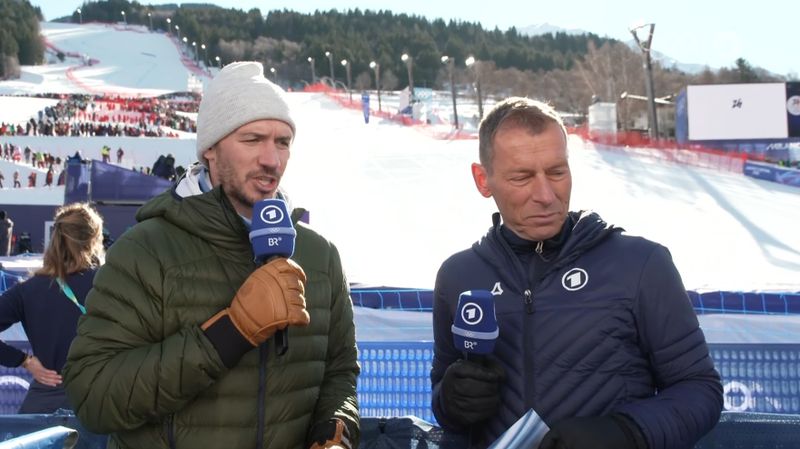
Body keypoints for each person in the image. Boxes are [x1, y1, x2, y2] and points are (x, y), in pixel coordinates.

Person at [63, 61, 360, 449]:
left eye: (283, 142)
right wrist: (230, 332)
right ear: (211, 150)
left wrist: (335, 430)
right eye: (253, 139)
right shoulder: (146, 250)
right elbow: (93, 396)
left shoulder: (319, 256)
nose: (272, 160)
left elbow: (339, 374)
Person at [430, 97, 723, 449]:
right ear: (483, 179)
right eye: (522, 177)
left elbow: (700, 390)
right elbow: (445, 403)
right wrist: (451, 399)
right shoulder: (458, 275)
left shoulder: (641, 264)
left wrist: (626, 432)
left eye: (557, 172)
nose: (546, 194)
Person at [0, 203, 104, 413]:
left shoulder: (29, 289)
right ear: (94, 240)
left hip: (46, 402)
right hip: (99, 402)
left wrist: (24, 361)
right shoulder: (110, 284)